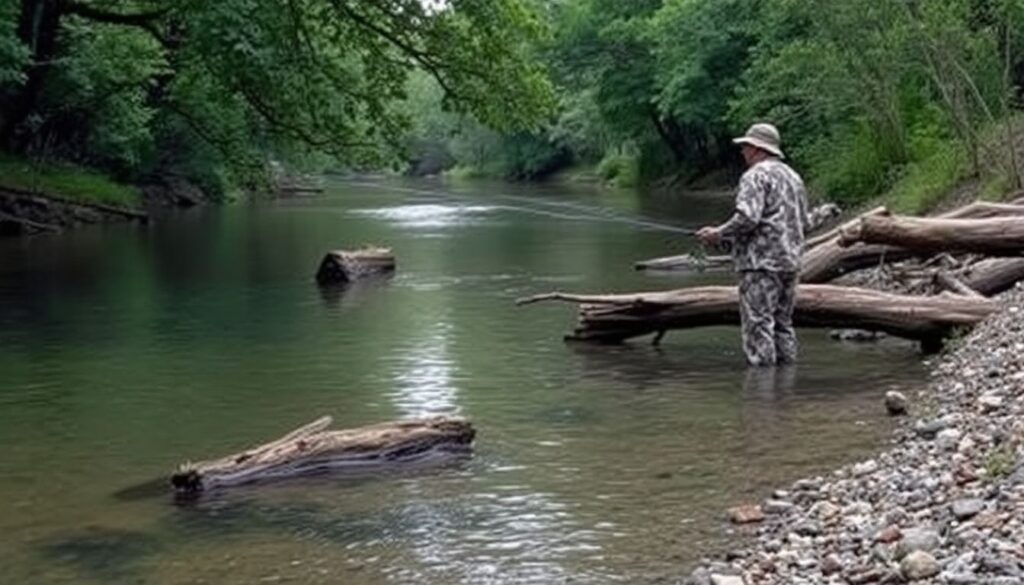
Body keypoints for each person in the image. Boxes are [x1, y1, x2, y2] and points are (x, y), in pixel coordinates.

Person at [695, 123, 808, 367]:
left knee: (758, 326)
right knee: (783, 325)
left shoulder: (754, 176)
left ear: (757, 149)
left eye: (745, 146)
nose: (742, 152)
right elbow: (804, 220)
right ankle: (786, 386)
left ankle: (762, 395)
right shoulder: (794, 177)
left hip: (760, 265)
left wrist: (718, 233)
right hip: (791, 263)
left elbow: (748, 218)